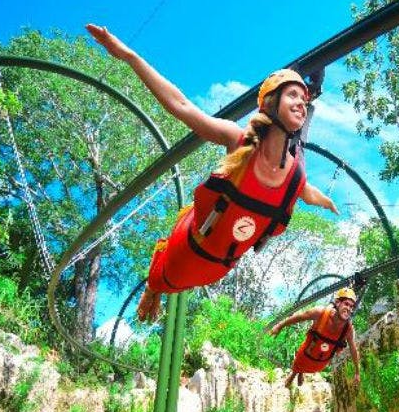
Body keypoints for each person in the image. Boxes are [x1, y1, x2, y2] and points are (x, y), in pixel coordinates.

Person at [86, 24, 338, 322]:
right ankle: (152, 291)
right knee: (159, 280)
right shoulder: (238, 139)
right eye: (293, 95)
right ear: (271, 104)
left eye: (305, 98)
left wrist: (326, 201)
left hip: (217, 268)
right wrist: (128, 55)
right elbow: (181, 106)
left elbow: (307, 191)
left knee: (299, 165)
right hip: (184, 255)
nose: (301, 102)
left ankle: (312, 82)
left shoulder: (295, 173)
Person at [270, 288, 361, 388]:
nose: (348, 309)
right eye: (346, 304)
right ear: (338, 303)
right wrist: (280, 326)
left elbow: (353, 349)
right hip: (307, 353)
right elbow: (299, 317)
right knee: (298, 365)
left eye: (351, 306)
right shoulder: (320, 313)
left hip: (321, 362)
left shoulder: (348, 328)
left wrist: (357, 372)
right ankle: (294, 375)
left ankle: (301, 373)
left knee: (307, 367)